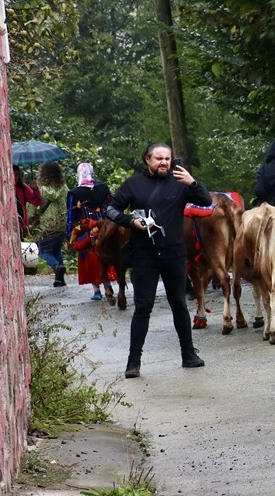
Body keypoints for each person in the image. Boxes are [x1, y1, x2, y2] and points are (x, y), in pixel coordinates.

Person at [105, 143, 212, 378]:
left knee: (179, 305)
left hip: (174, 253)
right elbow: (111, 210)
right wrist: (130, 221)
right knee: (143, 308)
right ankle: (133, 362)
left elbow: (206, 202)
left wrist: (192, 182)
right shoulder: (134, 184)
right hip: (145, 254)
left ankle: (189, 355)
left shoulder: (181, 183)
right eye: (158, 158)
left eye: (167, 158)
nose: (163, 162)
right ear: (147, 159)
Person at [66, 162, 112, 301]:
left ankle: (96, 290)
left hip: (85, 230)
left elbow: (71, 215)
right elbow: (112, 206)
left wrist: (70, 235)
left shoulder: (74, 193)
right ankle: (107, 284)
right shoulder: (103, 188)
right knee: (104, 256)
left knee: (90, 259)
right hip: (105, 228)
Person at [34, 161, 69, 287]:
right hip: (62, 223)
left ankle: (57, 266)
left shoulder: (41, 189)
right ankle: (60, 279)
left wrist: (34, 217)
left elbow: (37, 205)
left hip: (47, 224)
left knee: (43, 251)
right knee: (56, 250)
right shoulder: (64, 187)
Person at [13, 165, 41, 236]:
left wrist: (35, 189)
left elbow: (37, 202)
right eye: (12, 174)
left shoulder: (23, 187)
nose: (14, 177)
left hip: (22, 226)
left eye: (16, 174)